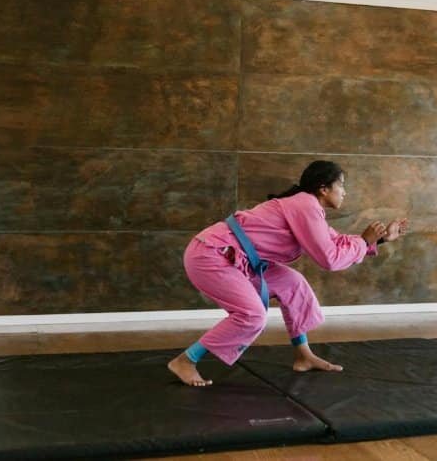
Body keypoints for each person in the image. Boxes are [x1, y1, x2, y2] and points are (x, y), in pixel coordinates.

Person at [167, 160, 408, 387]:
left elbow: (335, 242)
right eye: (341, 185)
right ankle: (185, 361)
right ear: (323, 189)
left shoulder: (306, 206)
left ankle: (303, 356)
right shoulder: (305, 205)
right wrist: (364, 242)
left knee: (293, 284)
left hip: (238, 259)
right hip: (212, 254)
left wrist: (381, 239)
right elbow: (330, 259)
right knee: (252, 315)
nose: (344, 192)